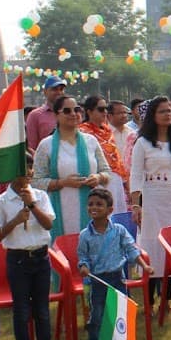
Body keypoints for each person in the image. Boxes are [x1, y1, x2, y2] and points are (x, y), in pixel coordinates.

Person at [0, 161, 57, 340]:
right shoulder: (2, 202)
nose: (27, 174)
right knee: (22, 311)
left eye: (30, 169)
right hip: (18, 260)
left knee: (42, 312)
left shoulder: (41, 196)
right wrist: (16, 220)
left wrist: (33, 206)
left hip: (40, 257)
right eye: (21, 169)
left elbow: (48, 225)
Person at [129, 96, 171, 314]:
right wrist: (136, 205)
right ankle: (149, 302)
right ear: (152, 117)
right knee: (152, 250)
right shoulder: (142, 143)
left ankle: (166, 301)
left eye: (169, 111)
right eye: (162, 111)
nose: (168, 115)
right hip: (153, 200)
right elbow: (136, 176)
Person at [76, 188, 144, 340]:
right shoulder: (84, 235)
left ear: (110, 210)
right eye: (90, 204)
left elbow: (131, 248)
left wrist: (144, 265)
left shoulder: (119, 230)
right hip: (98, 281)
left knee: (120, 313)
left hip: (117, 278)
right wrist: (83, 266)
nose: (94, 208)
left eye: (99, 204)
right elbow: (83, 257)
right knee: (96, 316)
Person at [33, 95, 112, 240]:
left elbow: (107, 172)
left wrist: (98, 177)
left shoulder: (91, 141)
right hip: (60, 208)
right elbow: (36, 181)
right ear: (57, 115)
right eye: (67, 111)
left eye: (76, 110)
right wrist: (63, 183)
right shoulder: (46, 145)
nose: (73, 114)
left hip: (92, 207)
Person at [80, 95, 130, 212]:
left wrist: (125, 182)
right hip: (97, 179)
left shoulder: (107, 131)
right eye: (101, 109)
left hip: (115, 178)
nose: (105, 112)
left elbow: (116, 157)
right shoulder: (82, 132)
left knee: (116, 213)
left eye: (106, 109)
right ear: (89, 111)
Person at [26, 76, 67, 153]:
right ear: (45, 92)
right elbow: (32, 147)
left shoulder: (70, 113)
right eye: (54, 89)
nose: (59, 92)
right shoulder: (35, 115)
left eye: (61, 89)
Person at [108, 100, 137, 176]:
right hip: (112, 176)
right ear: (110, 115)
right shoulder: (105, 134)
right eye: (120, 113)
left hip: (130, 176)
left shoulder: (132, 133)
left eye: (125, 112)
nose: (124, 115)